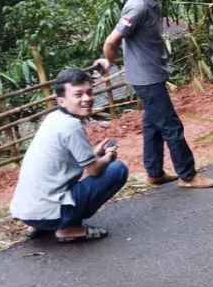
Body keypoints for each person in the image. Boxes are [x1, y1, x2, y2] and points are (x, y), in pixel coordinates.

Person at [93, 0, 213, 189]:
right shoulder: (138, 5)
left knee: (152, 125)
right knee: (171, 126)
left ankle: (154, 172)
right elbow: (111, 41)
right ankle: (188, 176)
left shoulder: (151, 2)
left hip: (151, 74)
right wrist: (109, 62)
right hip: (146, 78)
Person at [9, 68, 128, 242]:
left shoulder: (53, 118)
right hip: (49, 214)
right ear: (62, 101)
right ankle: (69, 228)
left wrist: (94, 153)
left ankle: (41, 224)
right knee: (117, 170)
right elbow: (93, 171)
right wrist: (109, 156)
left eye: (89, 92)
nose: (87, 99)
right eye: (78, 95)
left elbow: (65, 161)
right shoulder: (71, 126)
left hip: (27, 212)